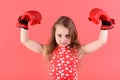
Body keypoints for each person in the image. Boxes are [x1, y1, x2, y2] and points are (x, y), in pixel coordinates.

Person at [16, 8, 115, 80]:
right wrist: (24, 24)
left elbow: (101, 42)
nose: (63, 39)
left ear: (73, 35)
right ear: (54, 34)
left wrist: (105, 24)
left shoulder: (78, 51)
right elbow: (25, 41)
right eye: (59, 35)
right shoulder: (49, 50)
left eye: (67, 36)